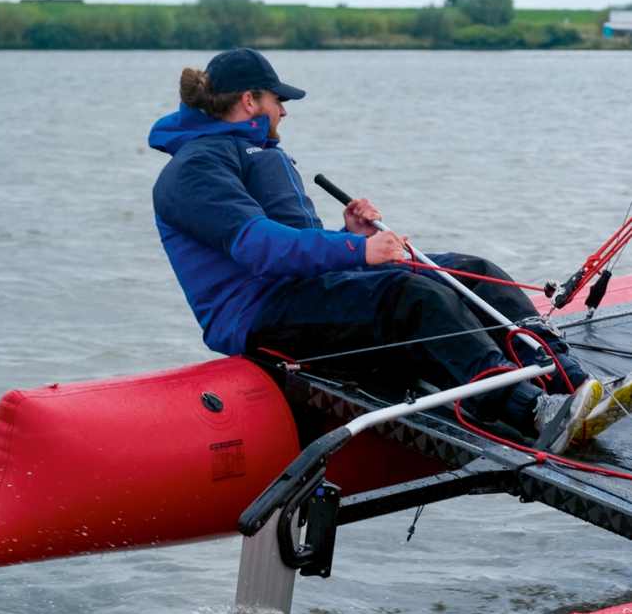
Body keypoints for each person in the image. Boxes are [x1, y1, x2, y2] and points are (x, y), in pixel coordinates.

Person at [149, 48, 631, 453]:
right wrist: (358, 251)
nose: (285, 111)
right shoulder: (194, 171)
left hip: (306, 287)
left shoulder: (247, 150)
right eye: (279, 100)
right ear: (250, 100)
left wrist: (348, 234)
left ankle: (572, 382)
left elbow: (293, 238)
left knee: (470, 270)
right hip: (260, 314)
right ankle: (531, 411)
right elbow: (260, 248)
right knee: (412, 295)